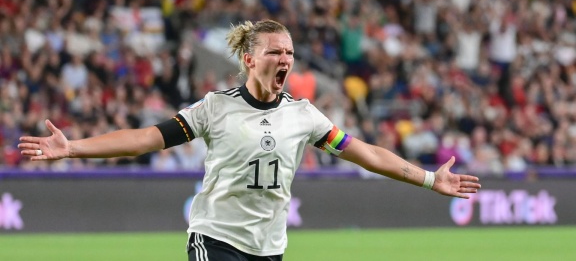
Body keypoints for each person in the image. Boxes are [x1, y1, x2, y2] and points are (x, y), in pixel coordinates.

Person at [19, 19, 481, 261]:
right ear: (248, 58)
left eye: (291, 53)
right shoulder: (214, 108)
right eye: (276, 51)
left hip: (270, 247)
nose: (286, 59)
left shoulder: (305, 116)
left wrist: (426, 178)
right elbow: (145, 138)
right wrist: (73, 147)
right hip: (214, 239)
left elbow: (366, 153)